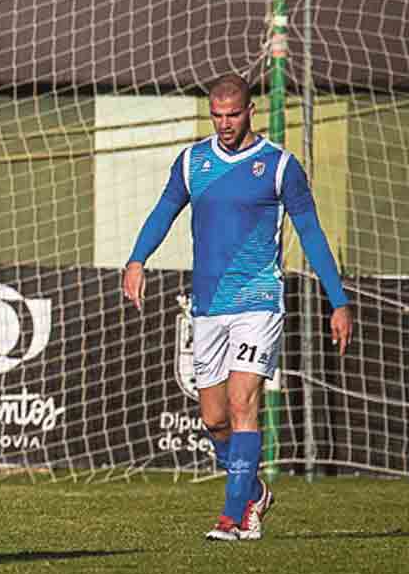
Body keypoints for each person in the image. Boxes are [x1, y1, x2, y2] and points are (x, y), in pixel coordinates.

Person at [124, 72, 353, 541]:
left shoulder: (279, 166)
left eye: (232, 114)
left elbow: (310, 234)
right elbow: (164, 211)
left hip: (258, 300)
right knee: (213, 418)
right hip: (208, 304)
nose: (224, 124)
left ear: (251, 111)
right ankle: (253, 492)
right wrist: (136, 259)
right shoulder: (192, 162)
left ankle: (231, 517)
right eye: (216, 115)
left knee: (242, 402)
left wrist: (338, 301)